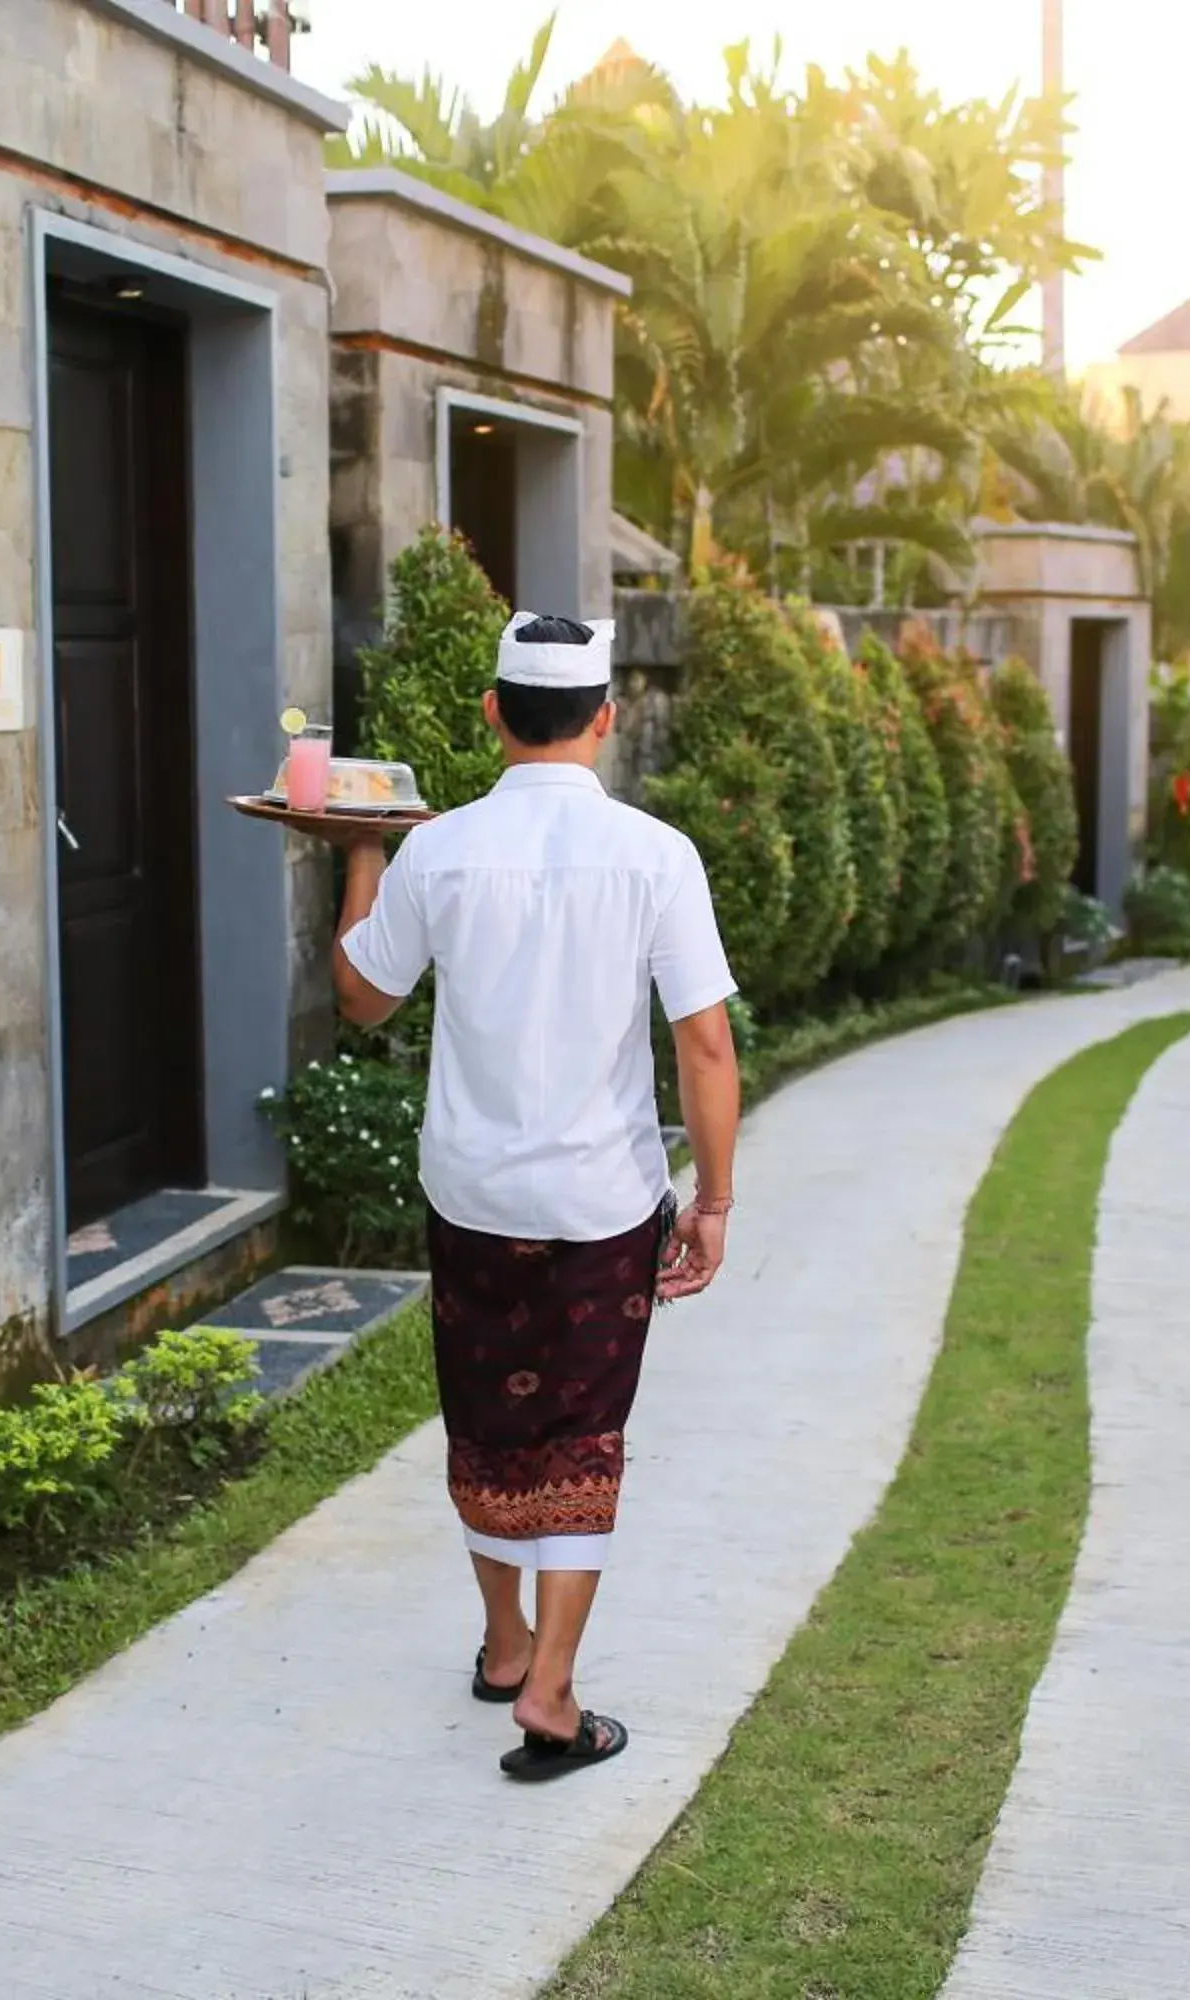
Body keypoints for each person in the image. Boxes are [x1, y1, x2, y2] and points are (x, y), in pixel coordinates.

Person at [323, 610, 741, 1781]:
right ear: (605, 718)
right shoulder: (657, 855)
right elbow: (703, 1046)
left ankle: (507, 1643)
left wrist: (361, 848)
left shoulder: (437, 850)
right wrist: (711, 1201)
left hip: (472, 1192)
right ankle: (548, 1685)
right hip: (604, 1200)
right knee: (580, 1429)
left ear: (494, 713)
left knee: (488, 1417)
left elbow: (362, 998)